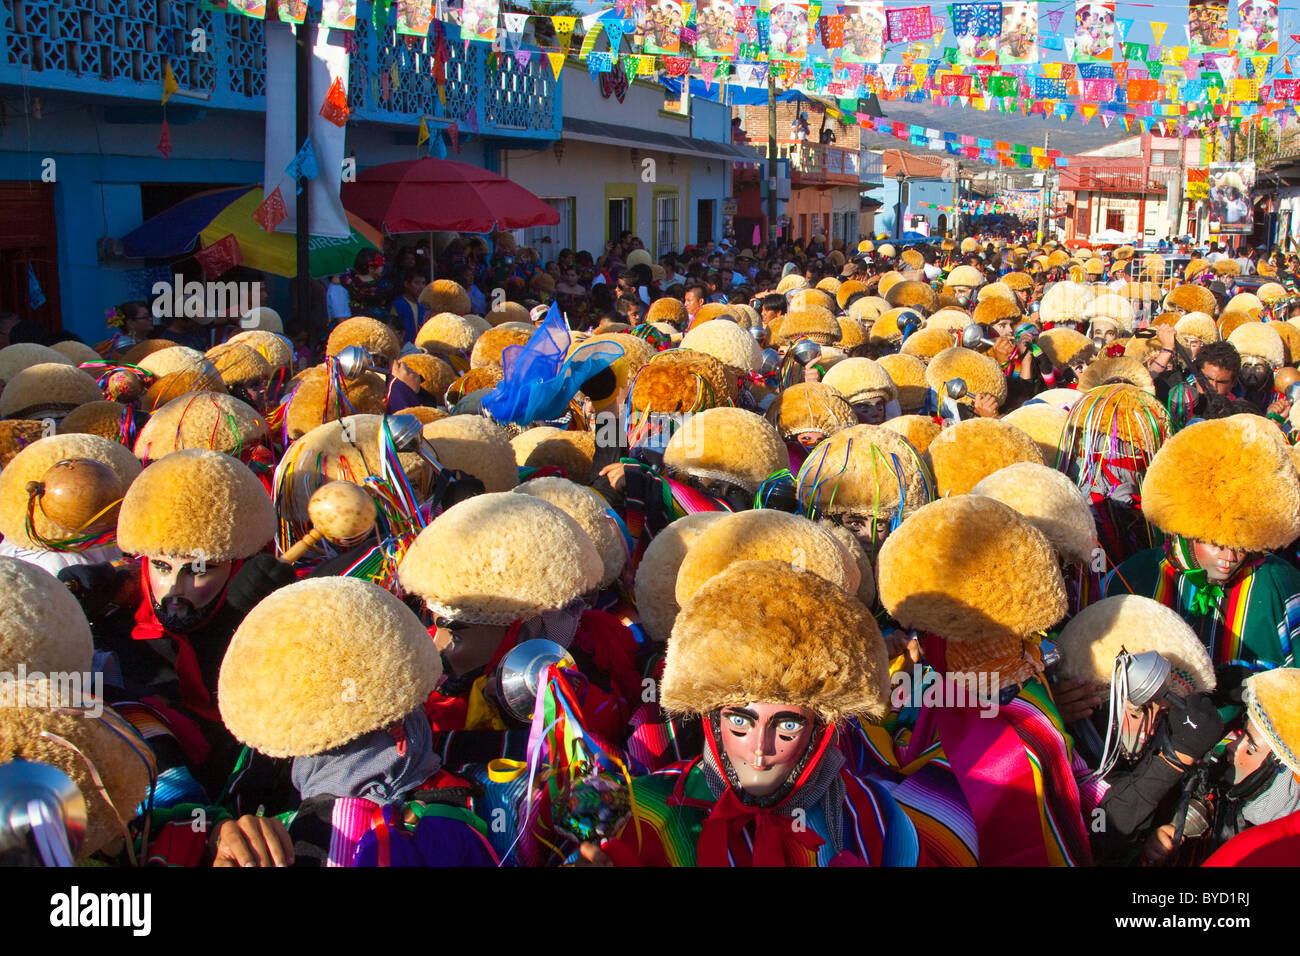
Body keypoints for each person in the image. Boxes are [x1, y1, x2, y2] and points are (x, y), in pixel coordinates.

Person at [584, 560, 924, 866]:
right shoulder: (651, 807)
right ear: (713, 717)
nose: (761, 747)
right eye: (740, 721)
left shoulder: (868, 813)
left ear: (820, 728)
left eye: (787, 724)